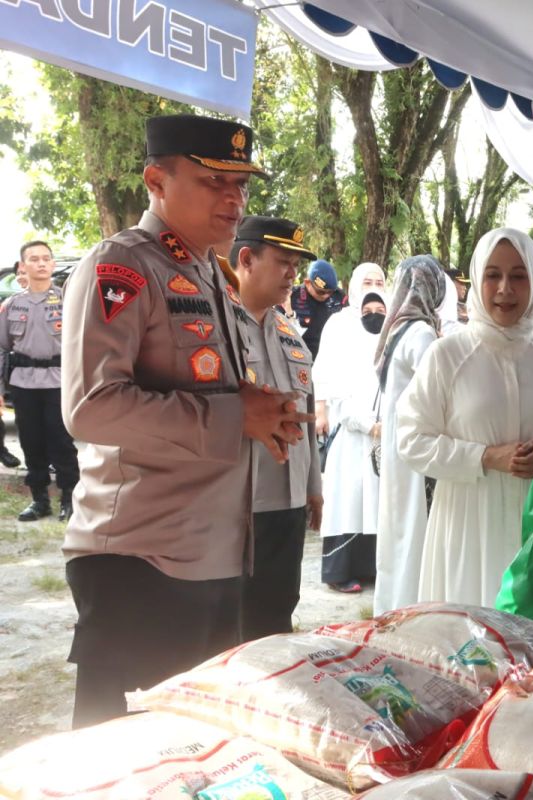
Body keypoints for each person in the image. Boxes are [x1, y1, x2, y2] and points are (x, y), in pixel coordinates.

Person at [60, 114, 310, 728]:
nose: (234, 200)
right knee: (124, 758)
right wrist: (233, 415)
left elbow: (196, 386)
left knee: (190, 748)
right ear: (156, 181)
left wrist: (254, 407)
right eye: (212, 182)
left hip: (215, 552)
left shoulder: (210, 275)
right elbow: (90, 406)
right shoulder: (122, 265)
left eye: (241, 186)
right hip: (141, 559)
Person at [395, 227, 533, 607]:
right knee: (469, 644)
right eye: (493, 275)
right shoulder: (448, 356)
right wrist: (486, 458)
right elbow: (410, 439)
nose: (505, 288)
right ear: (478, 279)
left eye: (518, 276)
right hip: (466, 526)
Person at [230, 216, 323, 640]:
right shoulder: (215, 327)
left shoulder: (290, 332)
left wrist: (313, 484)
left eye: (295, 265)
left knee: (277, 614)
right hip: (237, 505)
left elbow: (305, 411)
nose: (293, 274)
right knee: (233, 624)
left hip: (287, 504)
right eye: (283, 262)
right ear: (246, 259)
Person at [372, 255, 444, 615]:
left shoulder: (398, 329)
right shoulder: (421, 333)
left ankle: (392, 606)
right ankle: (412, 609)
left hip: (398, 445)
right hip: (416, 450)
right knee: (414, 528)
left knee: (398, 528)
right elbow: (439, 390)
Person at [312, 262, 388, 594]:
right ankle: (339, 571)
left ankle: (371, 568)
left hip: (382, 428)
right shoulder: (339, 324)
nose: (373, 285)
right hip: (349, 423)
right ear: (354, 284)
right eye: (367, 281)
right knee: (349, 496)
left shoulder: (390, 324)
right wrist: (324, 408)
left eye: (379, 281)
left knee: (375, 500)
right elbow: (325, 370)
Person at [1, 241, 74, 517]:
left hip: (59, 382)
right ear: (22, 267)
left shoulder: (69, 302)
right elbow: (3, 346)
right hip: (23, 384)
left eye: (46, 258)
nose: (41, 263)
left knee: (61, 442)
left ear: (53, 265)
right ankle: (40, 500)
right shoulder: (11, 305)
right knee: (31, 442)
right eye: (34, 259)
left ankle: (69, 498)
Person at [287, 259, 345, 359]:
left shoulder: (339, 297)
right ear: (307, 282)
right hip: (299, 358)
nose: (326, 296)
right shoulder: (291, 298)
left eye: (330, 292)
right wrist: (289, 312)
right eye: (321, 292)